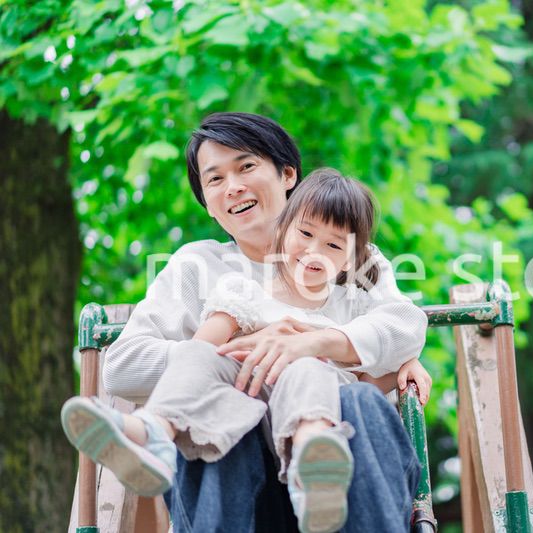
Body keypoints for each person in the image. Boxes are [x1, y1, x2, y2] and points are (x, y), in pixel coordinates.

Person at [78, 112, 431, 533]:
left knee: (359, 403)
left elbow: (404, 325)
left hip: (340, 473)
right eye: (214, 180)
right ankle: (152, 439)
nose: (233, 187)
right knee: (227, 411)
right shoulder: (200, 267)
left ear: (287, 174)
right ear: (207, 205)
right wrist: (248, 348)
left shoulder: (355, 260)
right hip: (233, 477)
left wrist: (321, 344)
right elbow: (122, 367)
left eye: (246, 166)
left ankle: (315, 467)